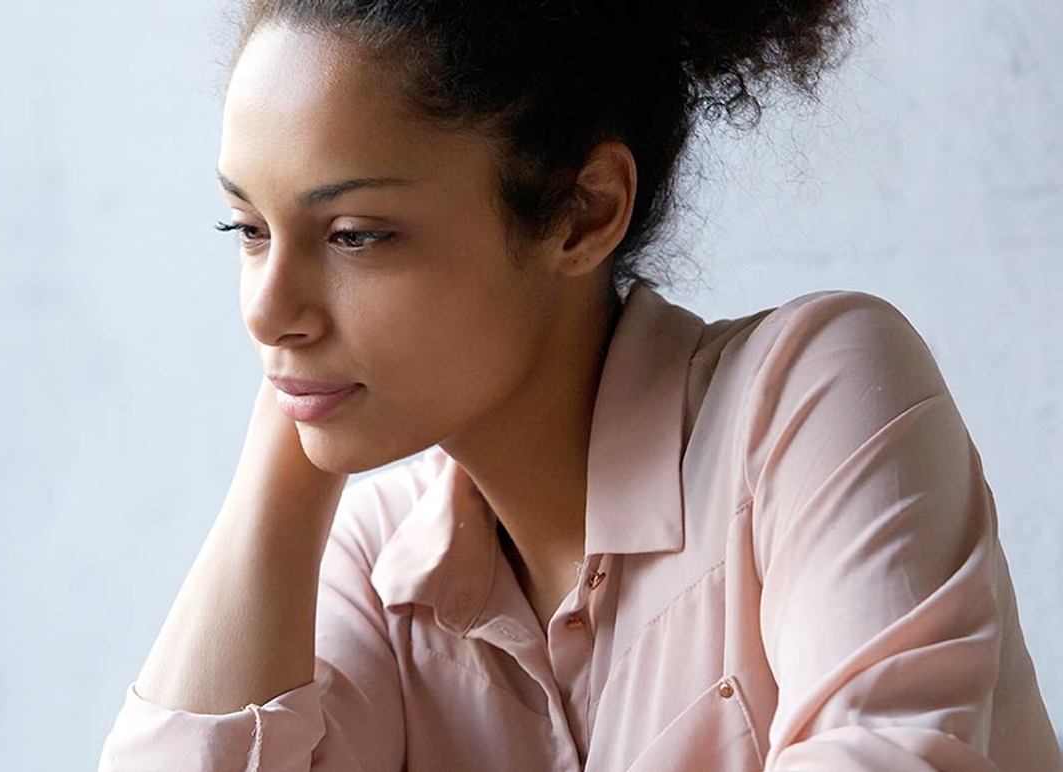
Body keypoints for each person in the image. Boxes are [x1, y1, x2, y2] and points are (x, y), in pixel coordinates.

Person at [100, 1, 1063, 770]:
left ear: (582, 211)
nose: (264, 310)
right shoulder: (379, 564)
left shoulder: (812, 399)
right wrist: (292, 436)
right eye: (249, 230)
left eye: (356, 235)